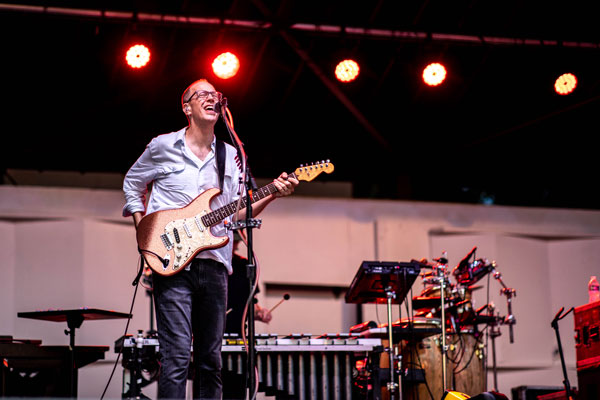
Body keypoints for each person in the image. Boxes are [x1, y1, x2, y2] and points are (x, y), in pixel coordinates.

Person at [122, 78, 298, 399]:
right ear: (186, 107)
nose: (210, 98)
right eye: (200, 94)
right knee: (175, 358)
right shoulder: (162, 146)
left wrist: (273, 192)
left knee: (210, 361)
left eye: (214, 94)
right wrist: (142, 229)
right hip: (172, 264)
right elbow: (133, 184)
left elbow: (235, 213)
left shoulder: (230, 155)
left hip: (216, 266)